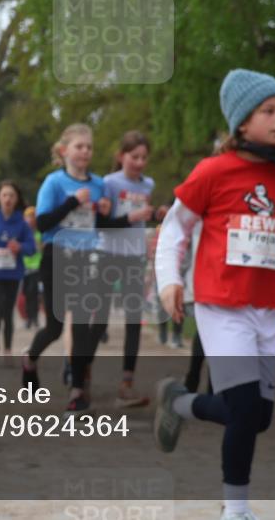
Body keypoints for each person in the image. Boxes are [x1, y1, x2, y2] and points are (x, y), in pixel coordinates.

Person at [153, 69, 275, 520]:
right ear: (241, 123)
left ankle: (179, 402)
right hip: (219, 303)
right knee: (246, 410)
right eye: (268, 111)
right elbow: (175, 229)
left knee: (257, 417)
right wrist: (169, 280)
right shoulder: (213, 171)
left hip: (268, 308)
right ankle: (236, 509)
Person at [21, 123, 145, 414]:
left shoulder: (98, 184)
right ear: (64, 151)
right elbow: (42, 224)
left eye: (89, 147)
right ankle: (30, 358)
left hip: (87, 256)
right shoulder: (54, 183)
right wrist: (71, 202)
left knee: (80, 325)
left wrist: (114, 215)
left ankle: (77, 391)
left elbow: (101, 226)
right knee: (54, 327)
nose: (85, 152)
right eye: (79, 146)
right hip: (56, 254)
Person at [102, 130, 165, 408]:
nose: (139, 162)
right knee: (98, 319)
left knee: (133, 320)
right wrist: (132, 217)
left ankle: (127, 383)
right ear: (121, 156)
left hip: (134, 256)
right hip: (108, 253)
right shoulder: (109, 183)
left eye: (143, 158)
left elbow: (144, 216)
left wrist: (156, 213)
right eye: (134, 157)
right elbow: (104, 222)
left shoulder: (148, 184)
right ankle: (81, 374)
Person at [0, 181, 36, 365]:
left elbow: (31, 248)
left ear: (17, 198)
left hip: (14, 274)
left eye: (12, 195)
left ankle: (7, 349)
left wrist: (19, 246)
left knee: (8, 311)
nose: (8, 199)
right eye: (4, 195)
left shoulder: (22, 223)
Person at [22, 207, 43, 329]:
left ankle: (34, 318)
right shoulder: (22, 234)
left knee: (34, 293)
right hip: (24, 268)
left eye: (32, 217)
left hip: (36, 267)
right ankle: (29, 317)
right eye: (28, 217)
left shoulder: (40, 233)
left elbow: (42, 249)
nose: (30, 219)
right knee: (26, 294)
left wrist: (35, 242)